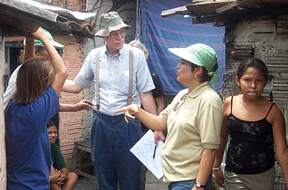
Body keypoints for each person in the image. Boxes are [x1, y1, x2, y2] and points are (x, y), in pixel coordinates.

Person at [62, 11, 156, 190]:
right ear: (104, 35)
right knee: (104, 176)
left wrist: (156, 127)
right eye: (114, 33)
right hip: (101, 123)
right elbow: (76, 86)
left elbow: (146, 94)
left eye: (122, 32)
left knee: (132, 178)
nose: (120, 37)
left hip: (129, 124)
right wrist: (50, 81)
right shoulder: (94, 56)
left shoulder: (135, 56)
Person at [116, 43, 223, 190]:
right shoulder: (183, 94)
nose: (178, 66)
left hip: (189, 180)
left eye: (183, 63)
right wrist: (137, 110)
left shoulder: (209, 100)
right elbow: (160, 123)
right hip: (175, 177)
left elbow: (210, 149)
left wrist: (199, 185)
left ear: (198, 70)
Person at [4, 27, 68, 189]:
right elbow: (62, 72)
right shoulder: (35, 112)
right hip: (32, 185)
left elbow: (27, 69)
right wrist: (43, 37)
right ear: (42, 83)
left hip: (17, 182)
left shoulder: (14, 106)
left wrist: (30, 37)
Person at [3, 30, 92, 143]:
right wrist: (42, 37)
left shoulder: (37, 75)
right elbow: (62, 73)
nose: (52, 55)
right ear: (36, 52)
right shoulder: (27, 75)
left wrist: (74, 106)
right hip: (23, 128)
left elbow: (74, 87)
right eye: (49, 49)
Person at [213, 58, 288, 190]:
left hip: (263, 176)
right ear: (238, 80)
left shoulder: (273, 111)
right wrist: (216, 166)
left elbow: (282, 150)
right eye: (247, 80)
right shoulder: (229, 104)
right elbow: (222, 136)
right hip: (234, 174)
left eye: (258, 81)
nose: (253, 86)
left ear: (265, 82)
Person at [128, 40, 165, 190]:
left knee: (140, 167)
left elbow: (160, 104)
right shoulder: (127, 75)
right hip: (128, 124)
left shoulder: (153, 76)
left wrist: (156, 126)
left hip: (146, 128)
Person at [47, 120, 78, 190]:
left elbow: (63, 167)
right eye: (50, 133)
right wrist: (52, 178)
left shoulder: (53, 146)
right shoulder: (37, 149)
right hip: (41, 181)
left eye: (55, 132)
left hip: (53, 180)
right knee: (51, 169)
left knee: (73, 176)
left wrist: (63, 175)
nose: (53, 135)